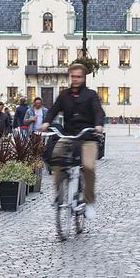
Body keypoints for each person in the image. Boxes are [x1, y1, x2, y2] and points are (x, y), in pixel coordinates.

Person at [40, 63, 105, 219]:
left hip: (88, 136)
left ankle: (89, 202)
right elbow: (54, 110)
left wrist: (98, 125)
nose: (75, 79)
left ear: (83, 78)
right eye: (73, 76)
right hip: (69, 136)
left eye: (78, 77)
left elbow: (98, 111)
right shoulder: (64, 95)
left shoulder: (91, 95)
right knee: (56, 158)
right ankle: (59, 193)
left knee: (88, 167)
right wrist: (46, 122)